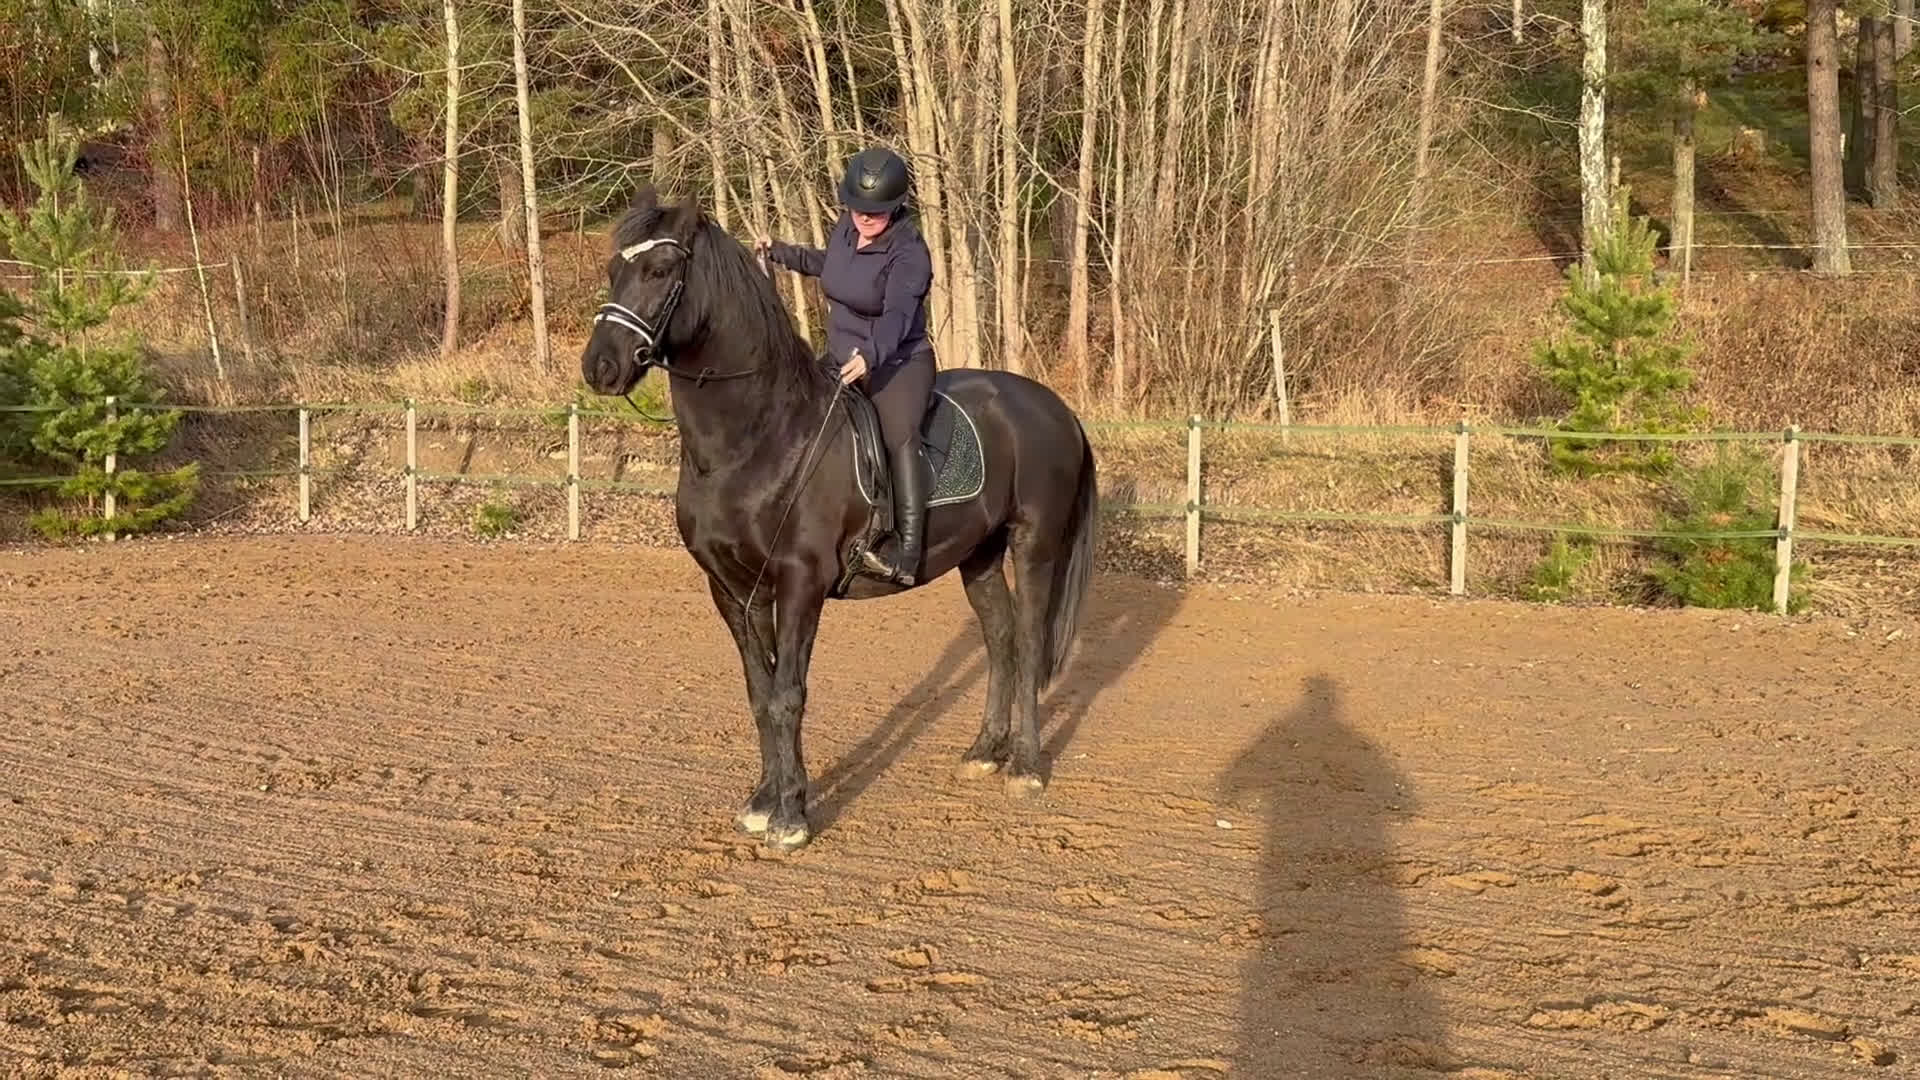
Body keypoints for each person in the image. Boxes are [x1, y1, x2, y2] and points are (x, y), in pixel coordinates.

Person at [757, 146, 936, 587]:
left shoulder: (910, 253)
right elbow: (831, 266)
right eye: (857, 209)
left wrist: (869, 356)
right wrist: (781, 253)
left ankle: (907, 552)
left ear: (895, 209)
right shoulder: (848, 228)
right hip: (839, 357)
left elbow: (897, 316)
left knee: (899, 438)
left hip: (896, 362)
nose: (864, 218)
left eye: (874, 213)